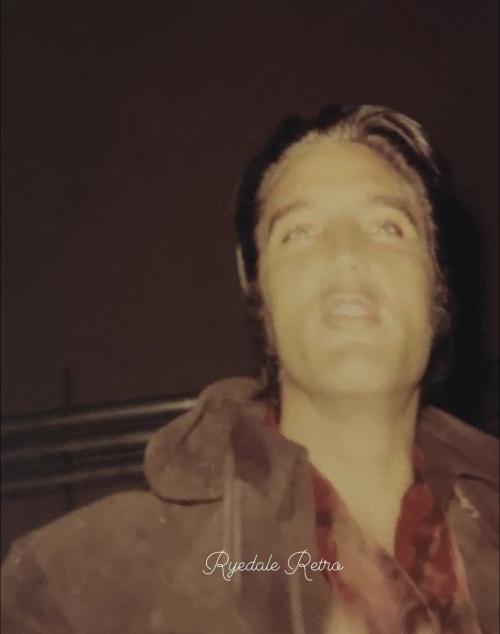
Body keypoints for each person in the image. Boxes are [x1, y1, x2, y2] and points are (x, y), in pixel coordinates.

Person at [1, 105, 498, 634]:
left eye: (387, 226)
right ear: (257, 288)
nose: (345, 255)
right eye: (299, 233)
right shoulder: (72, 589)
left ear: (437, 280)